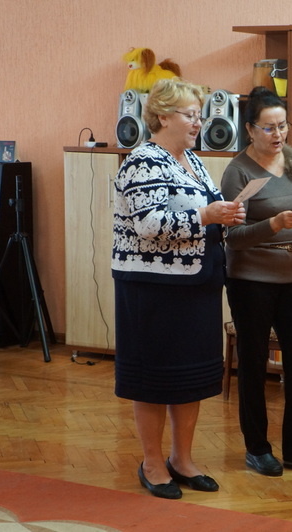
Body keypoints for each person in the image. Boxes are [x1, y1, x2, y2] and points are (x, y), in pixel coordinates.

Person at [111, 77, 245, 499]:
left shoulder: (192, 160)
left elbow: (202, 213)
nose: (198, 122)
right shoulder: (142, 160)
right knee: (153, 378)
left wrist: (225, 215)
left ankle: (182, 459)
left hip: (196, 286)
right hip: (152, 290)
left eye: (199, 115)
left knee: (191, 377)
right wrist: (207, 216)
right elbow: (149, 225)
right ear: (163, 116)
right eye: (190, 115)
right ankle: (152, 463)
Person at [220, 86, 292, 477]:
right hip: (250, 280)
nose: (278, 134)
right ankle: (257, 449)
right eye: (269, 128)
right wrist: (273, 224)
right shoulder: (238, 171)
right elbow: (232, 237)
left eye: (283, 126)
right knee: (253, 364)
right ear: (250, 129)